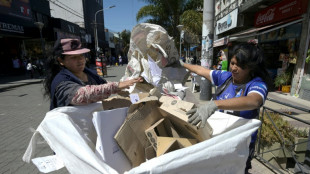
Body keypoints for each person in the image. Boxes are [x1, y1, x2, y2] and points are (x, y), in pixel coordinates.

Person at [180, 42, 271, 174]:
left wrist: (215, 104)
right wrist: (182, 65)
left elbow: (254, 100)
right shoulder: (225, 77)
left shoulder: (256, 83)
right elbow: (201, 70)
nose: (234, 68)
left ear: (251, 68)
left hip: (239, 147)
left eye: (240, 66)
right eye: (233, 63)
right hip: (216, 142)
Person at [43, 38, 143, 110]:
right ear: (61, 61)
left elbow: (102, 85)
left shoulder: (88, 73)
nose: (80, 60)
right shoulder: (61, 81)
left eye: (81, 55)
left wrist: (124, 86)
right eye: (73, 57)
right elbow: (81, 95)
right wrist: (117, 86)